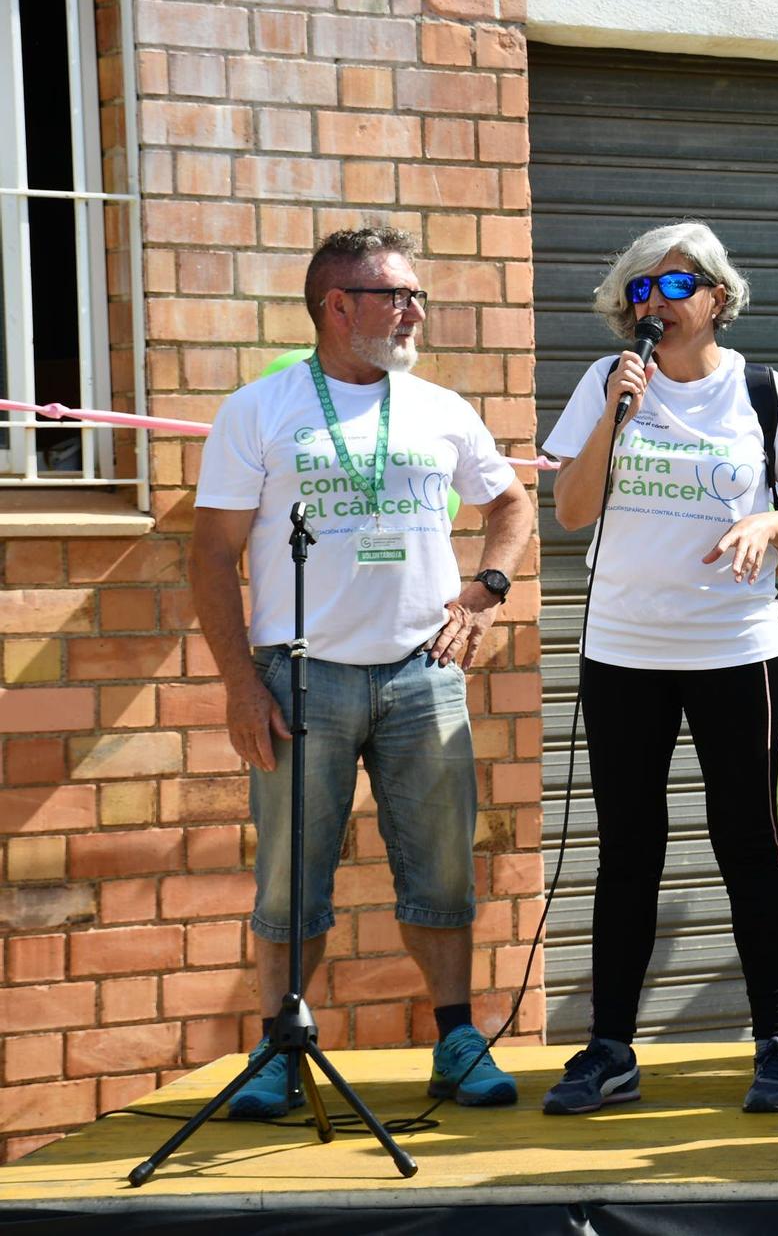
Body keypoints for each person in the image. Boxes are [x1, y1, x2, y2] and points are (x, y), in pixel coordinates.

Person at [192, 226, 534, 1118]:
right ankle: (278, 1048)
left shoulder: (440, 408)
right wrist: (239, 682)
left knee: (444, 872)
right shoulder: (258, 411)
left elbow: (510, 502)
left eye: (417, 294)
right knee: (289, 880)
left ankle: (455, 1039)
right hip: (300, 677)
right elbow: (209, 556)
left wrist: (486, 591)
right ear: (337, 306)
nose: (415, 310)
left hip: (423, 673)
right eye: (396, 295)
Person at [539, 222, 778, 1116]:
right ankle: (611, 1048)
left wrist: (767, 525)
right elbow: (570, 509)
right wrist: (612, 418)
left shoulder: (762, 390)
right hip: (624, 647)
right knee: (627, 849)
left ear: (716, 296)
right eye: (641, 289)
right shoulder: (605, 383)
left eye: (675, 287)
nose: (655, 304)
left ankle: (775, 1041)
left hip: (733, 648)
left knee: (747, 842)